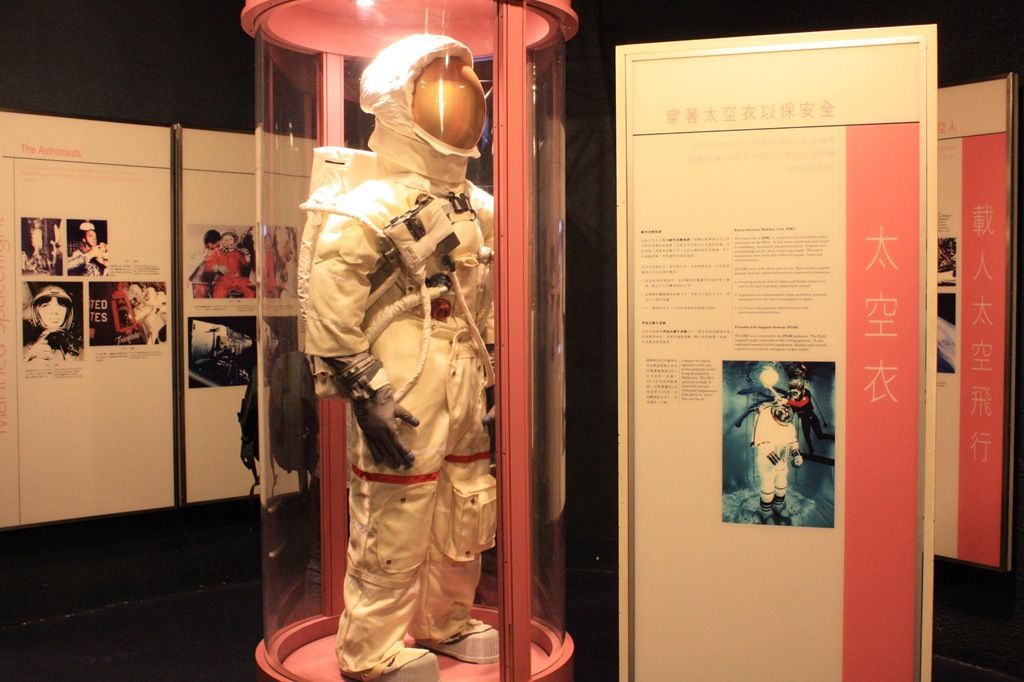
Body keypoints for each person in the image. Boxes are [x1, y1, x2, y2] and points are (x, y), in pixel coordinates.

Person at [300, 34, 496, 682]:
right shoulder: (369, 204)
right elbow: (331, 297)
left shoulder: (480, 208)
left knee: (466, 498)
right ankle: (370, 652)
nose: (459, 110)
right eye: (440, 95)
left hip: (463, 366)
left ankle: (446, 620)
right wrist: (368, 389)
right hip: (404, 372)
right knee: (397, 510)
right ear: (396, 106)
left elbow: (484, 295)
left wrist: (492, 370)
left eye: (466, 95)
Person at [735, 395, 803, 524]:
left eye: (787, 412)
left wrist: (797, 455)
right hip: (767, 463)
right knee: (768, 486)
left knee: (782, 484)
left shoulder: (789, 427)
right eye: (782, 412)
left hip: (782, 461)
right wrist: (773, 458)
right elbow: (762, 442)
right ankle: (765, 511)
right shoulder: (766, 421)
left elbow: (793, 442)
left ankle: (778, 506)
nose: (785, 415)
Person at [23, 284, 80, 361]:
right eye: (45, 305)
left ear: (67, 312)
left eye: (61, 305)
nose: (54, 311)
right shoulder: (22, 352)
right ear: (36, 313)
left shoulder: (80, 352)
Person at [786, 378, 834, 456]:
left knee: (820, 436)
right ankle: (811, 450)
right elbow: (792, 411)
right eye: (791, 392)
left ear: (801, 391)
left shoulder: (806, 394)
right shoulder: (791, 398)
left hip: (811, 416)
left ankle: (833, 438)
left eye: (795, 392)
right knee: (806, 436)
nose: (794, 395)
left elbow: (801, 404)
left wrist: (789, 401)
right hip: (804, 419)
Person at [205, 230, 256, 298]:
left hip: (238, 279)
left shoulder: (238, 253)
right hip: (223, 280)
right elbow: (207, 266)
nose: (229, 242)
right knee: (218, 295)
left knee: (251, 292)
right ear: (222, 241)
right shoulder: (216, 252)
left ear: (234, 241)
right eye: (226, 240)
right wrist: (218, 267)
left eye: (231, 239)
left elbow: (246, 264)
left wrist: (247, 255)